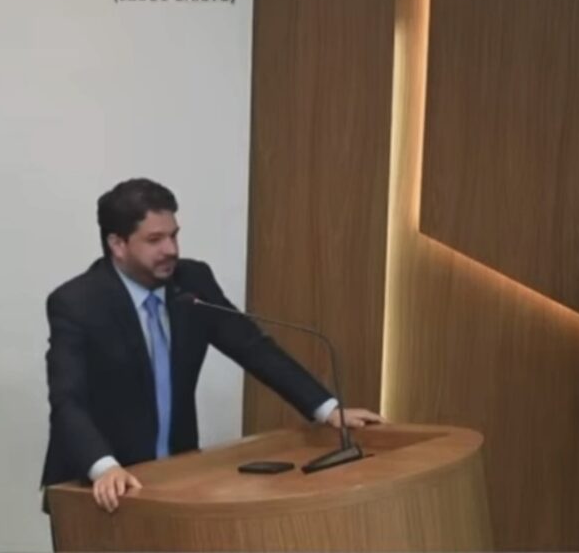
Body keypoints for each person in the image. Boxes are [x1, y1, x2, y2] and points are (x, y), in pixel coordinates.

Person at [41, 178, 383, 512]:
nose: (171, 250)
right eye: (155, 240)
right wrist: (104, 467)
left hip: (174, 477)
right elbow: (68, 400)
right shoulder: (78, 303)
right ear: (118, 244)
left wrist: (327, 408)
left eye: (174, 235)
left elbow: (253, 347)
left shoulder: (192, 282)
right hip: (96, 487)